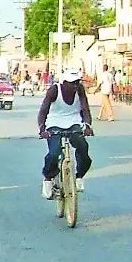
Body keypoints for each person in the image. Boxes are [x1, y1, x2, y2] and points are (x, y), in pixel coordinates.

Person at [38, 67, 94, 199]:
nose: (75, 85)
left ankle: (79, 176)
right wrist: (42, 129)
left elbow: (85, 109)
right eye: (72, 83)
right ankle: (48, 178)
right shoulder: (54, 90)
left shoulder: (79, 90)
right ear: (64, 83)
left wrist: (87, 125)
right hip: (54, 123)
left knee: (83, 147)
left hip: (74, 121)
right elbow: (43, 111)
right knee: (54, 152)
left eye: (77, 82)